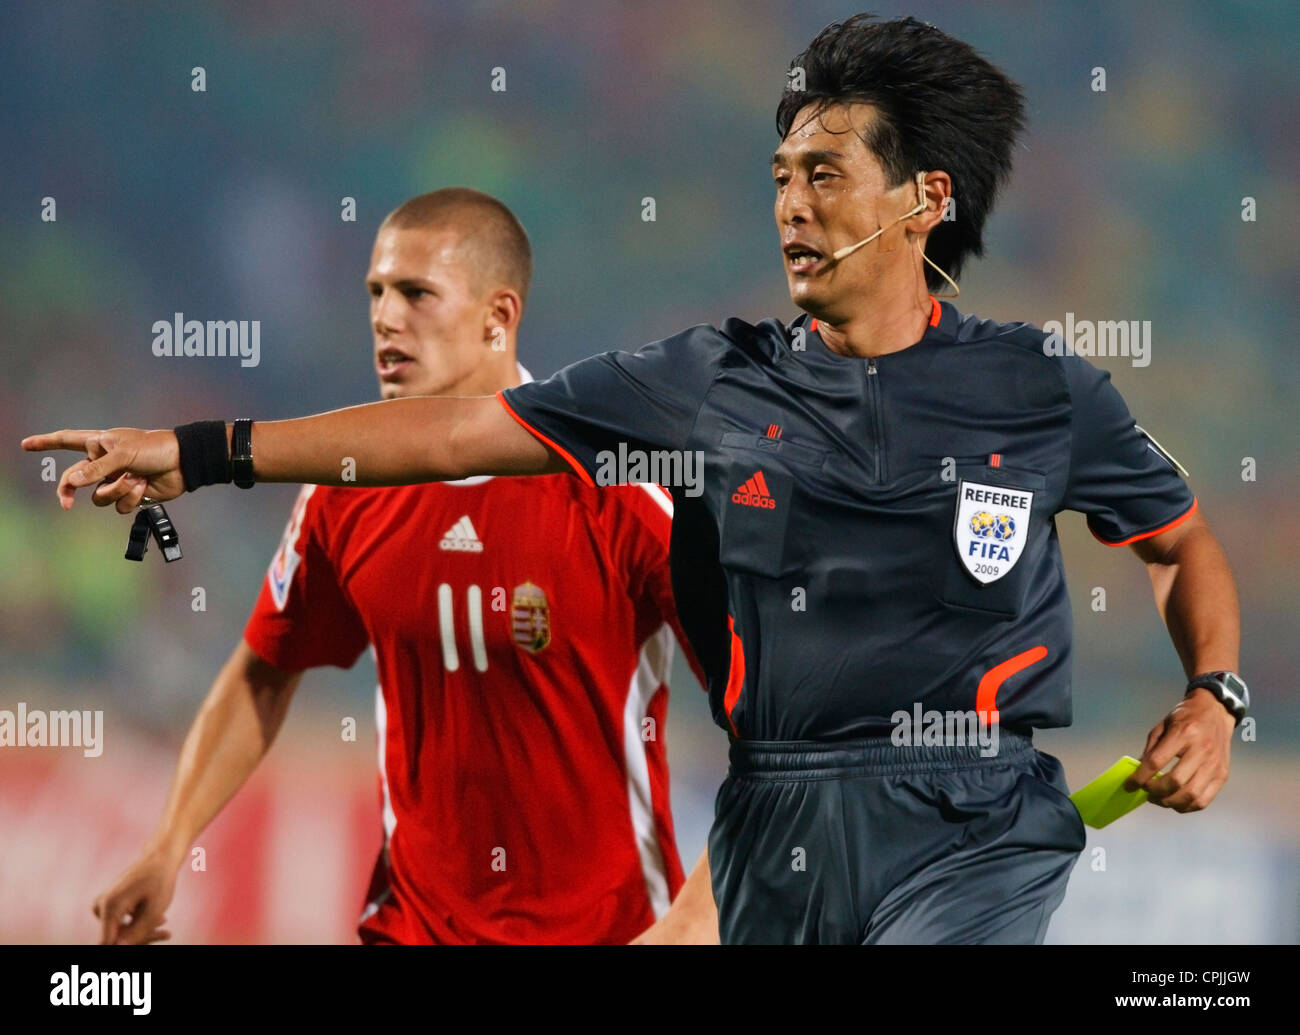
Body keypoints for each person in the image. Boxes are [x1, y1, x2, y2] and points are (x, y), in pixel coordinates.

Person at [30, 16, 1245, 945]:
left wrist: (1214, 697)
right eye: (779, 177)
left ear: (923, 198)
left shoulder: (1040, 387)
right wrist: (200, 455)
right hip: (769, 825)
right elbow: (452, 442)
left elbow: (1179, 546)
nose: (789, 207)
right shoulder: (704, 382)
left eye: (823, 175)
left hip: (974, 816)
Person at [84, 188, 716, 945]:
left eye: (417, 293)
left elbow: (768, 728)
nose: (386, 317)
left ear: (498, 316)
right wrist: (167, 844)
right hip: (411, 929)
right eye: (376, 292)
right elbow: (262, 673)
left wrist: (695, 918)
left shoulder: (614, 487)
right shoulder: (343, 492)